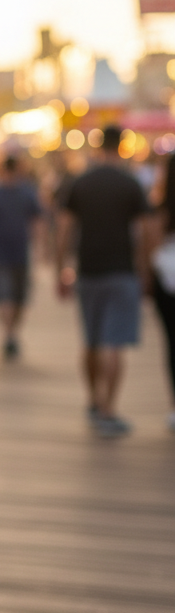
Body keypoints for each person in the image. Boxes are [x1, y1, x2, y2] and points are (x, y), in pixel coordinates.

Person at [56, 125, 149, 435]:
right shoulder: (131, 184)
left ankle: (94, 400)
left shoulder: (81, 183)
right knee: (114, 342)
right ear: (122, 146)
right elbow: (143, 233)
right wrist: (144, 271)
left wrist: (61, 269)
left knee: (92, 340)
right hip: (121, 270)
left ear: (97, 146)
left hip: (88, 270)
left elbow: (65, 229)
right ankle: (108, 408)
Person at [0, 155, 42, 360]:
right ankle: (11, 333)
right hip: (15, 252)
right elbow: (37, 223)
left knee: (7, 296)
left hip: (2, 251)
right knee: (16, 297)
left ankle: (9, 332)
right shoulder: (24, 193)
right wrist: (40, 248)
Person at [145, 154, 175, 431]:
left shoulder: (160, 210)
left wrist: (145, 281)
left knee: (171, 344)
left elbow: (150, 247)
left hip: (167, 283)